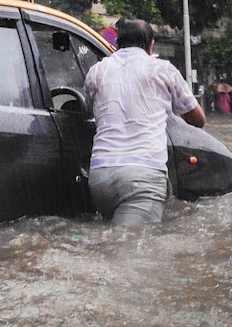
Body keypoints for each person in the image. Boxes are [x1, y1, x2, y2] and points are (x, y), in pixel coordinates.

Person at [82, 17, 205, 227]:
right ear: (151, 45)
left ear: (117, 43)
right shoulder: (162, 69)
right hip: (142, 177)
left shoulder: (97, 71)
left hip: (100, 176)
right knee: (130, 249)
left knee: (112, 243)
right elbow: (197, 119)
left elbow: (91, 109)